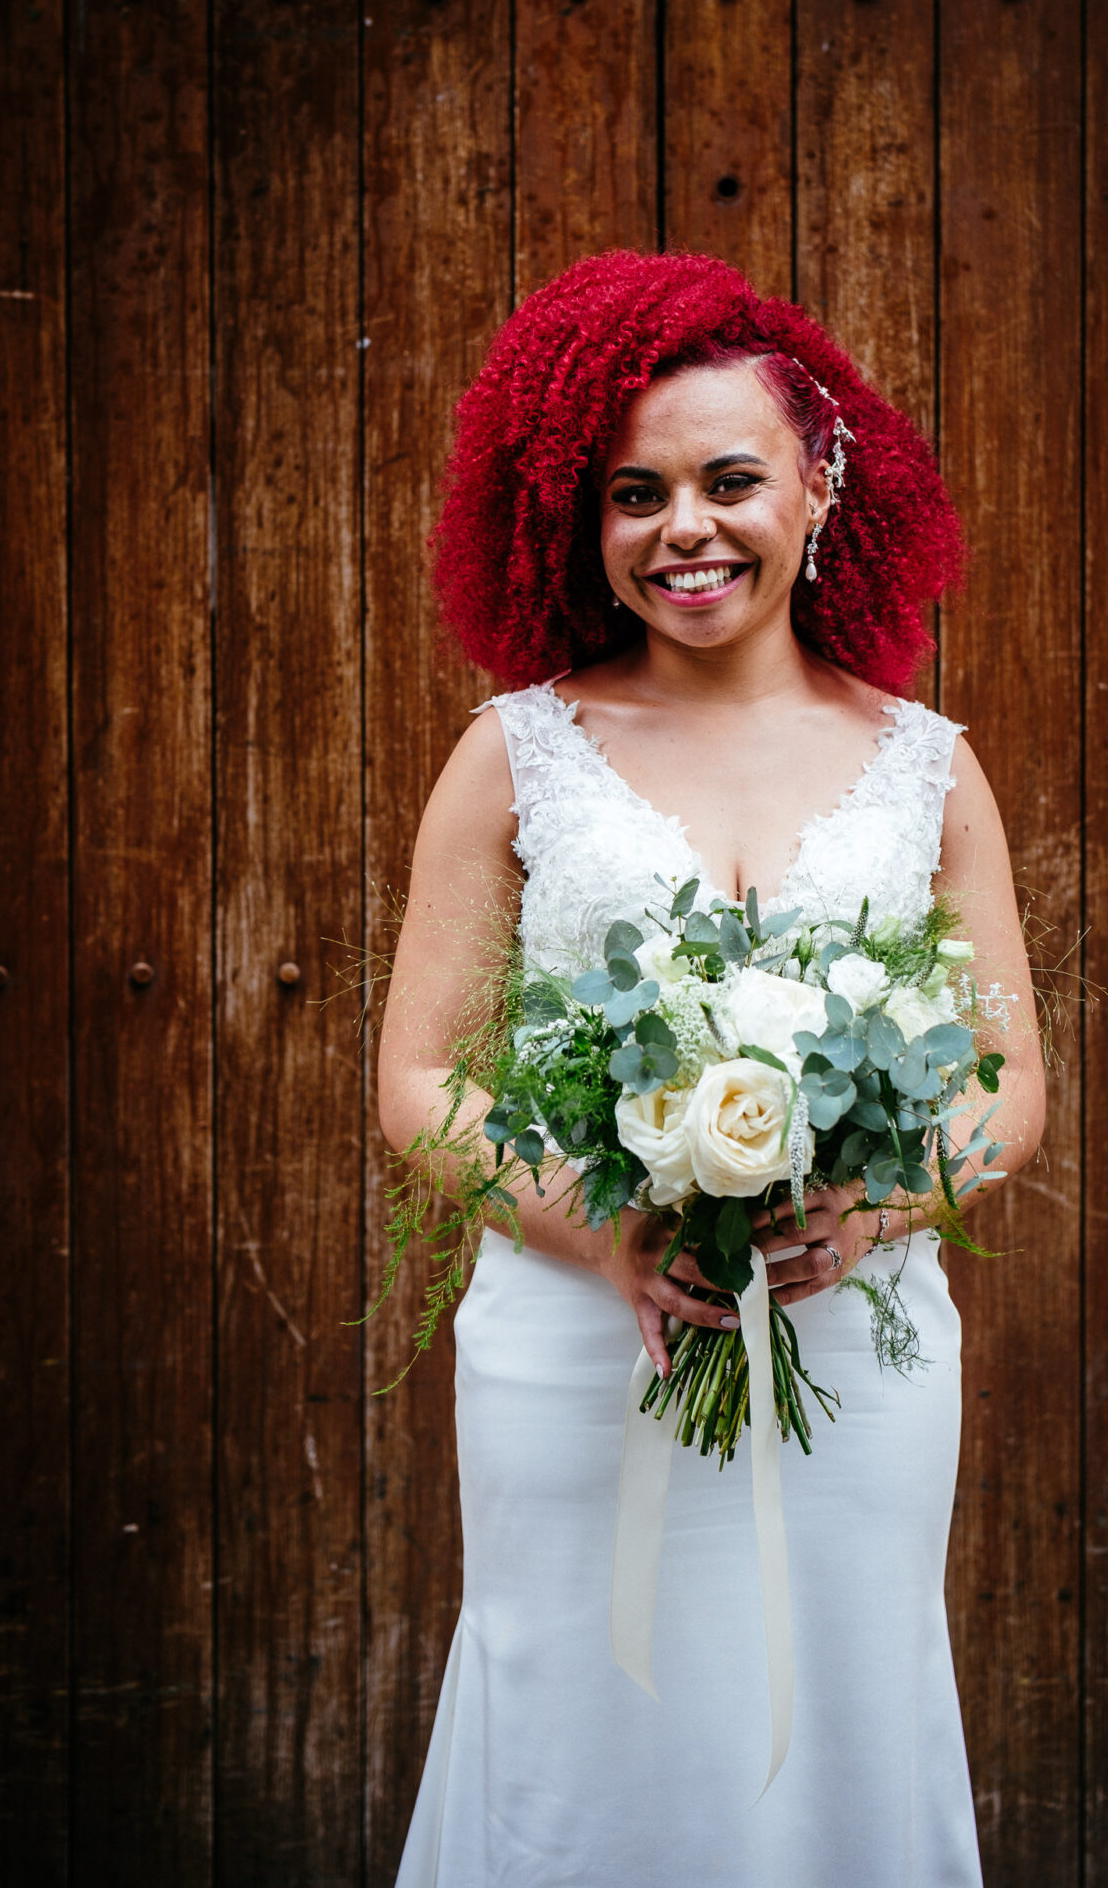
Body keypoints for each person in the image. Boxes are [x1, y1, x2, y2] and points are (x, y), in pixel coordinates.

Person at [378, 249, 1046, 1886]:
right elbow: (417, 1080)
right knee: (576, 1712)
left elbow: (1007, 1084)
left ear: (820, 486)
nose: (684, 527)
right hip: (572, 1340)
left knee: (841, 1709)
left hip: (857, 1348)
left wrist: (875, 1214)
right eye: (633, 492)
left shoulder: (929, 770)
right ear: (578, 521)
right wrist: (593, 1223)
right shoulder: (517, 749)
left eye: (729, 478)